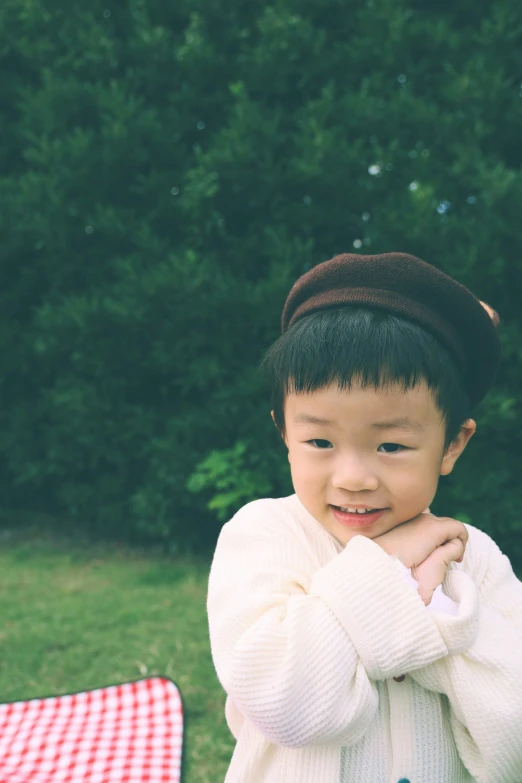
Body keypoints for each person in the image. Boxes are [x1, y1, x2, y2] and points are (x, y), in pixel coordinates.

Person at [207, 252, 522, 783]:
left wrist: (439, 610)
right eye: (320, 441)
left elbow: (511, 741)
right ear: (284, 434)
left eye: (392, 444)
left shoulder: (472, 558)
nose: (353, 476)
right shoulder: (261, 536)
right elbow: (288, 704)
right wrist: (388, 566)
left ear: (452, 444)